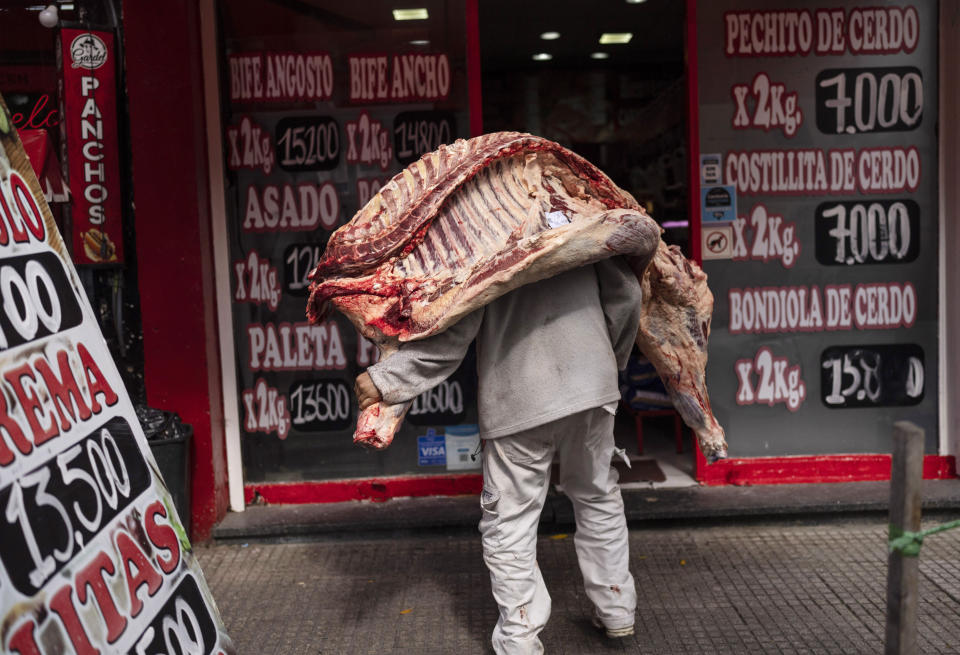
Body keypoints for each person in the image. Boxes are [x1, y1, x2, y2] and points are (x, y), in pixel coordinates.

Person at [354, 257, 642, 655]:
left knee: (510, 523)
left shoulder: (488, 237)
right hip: (593, 388)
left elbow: (454, 334)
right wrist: (609, 363)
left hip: (519, 396)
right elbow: (626, 295)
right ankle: (617, 611)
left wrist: (385, 380)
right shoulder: (579, 215)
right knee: (597, 495)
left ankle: (520, 640)